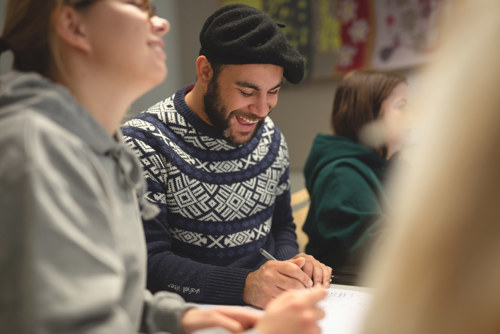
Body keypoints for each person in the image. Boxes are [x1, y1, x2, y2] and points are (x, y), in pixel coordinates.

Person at [0, 0, 327, 333]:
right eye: (138, 6)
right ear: (73, 25)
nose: (162, 24)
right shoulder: (36, 149)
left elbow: (114, 294)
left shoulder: (99, 146)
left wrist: (174, 318)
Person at [122, 3, 331, 309]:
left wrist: (291, 266)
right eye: (247, 92)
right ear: (205, 71)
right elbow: (148, 264)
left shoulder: (270, 137)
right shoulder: (145, 143)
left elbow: (281, 226)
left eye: (273, 91)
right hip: (190, 316)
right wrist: (244, 286)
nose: (261, 110)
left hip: (266, 310)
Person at [359, 0, 500, 333]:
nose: (412, 118)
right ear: (370, 114)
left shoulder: (400, 166)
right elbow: (373, 243)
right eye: (403, 107)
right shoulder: (348, 172)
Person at [302, 70, 408, 285]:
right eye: (401, 106)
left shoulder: (394, 168)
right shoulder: (341, 175)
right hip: (349, 291)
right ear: (369, 114)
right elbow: (382, 250)